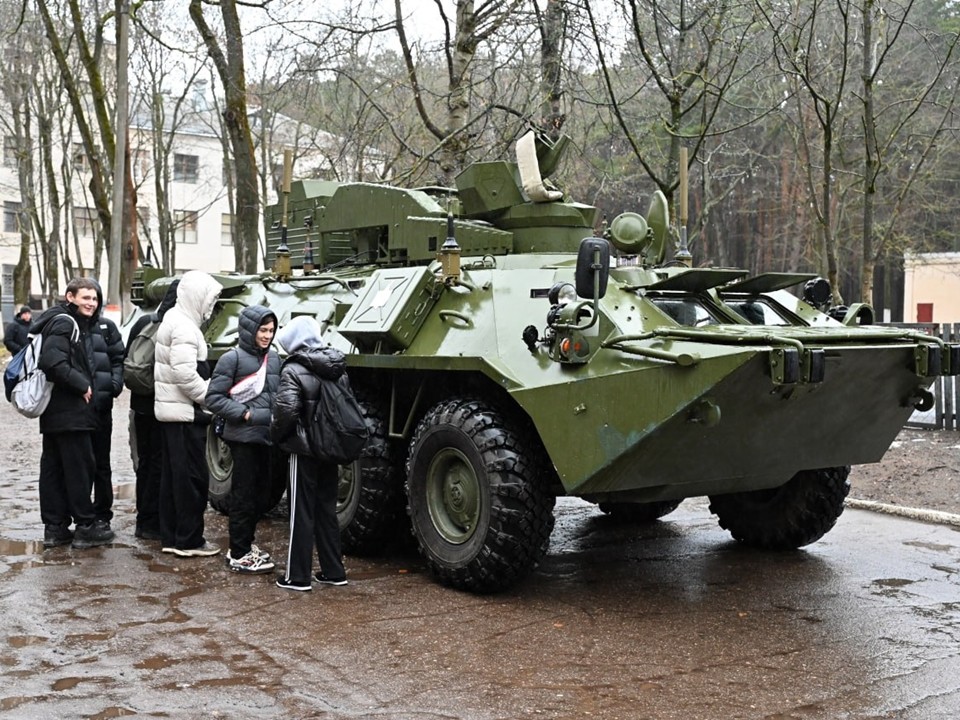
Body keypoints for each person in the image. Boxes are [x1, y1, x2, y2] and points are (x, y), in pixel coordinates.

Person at [31, 278, 115, 549]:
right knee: (80, 469)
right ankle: (85, 527)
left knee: (54, 469)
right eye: (85, 297)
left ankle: (55, 528)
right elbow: (52, 361)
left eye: (94, 298)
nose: (91, 303)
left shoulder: (57, 320)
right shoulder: (65, 322)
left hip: (56, 413)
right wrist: (82, 385)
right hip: (71, 412)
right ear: (70, 297)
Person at [271, 316, 350, 592]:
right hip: (329, 449)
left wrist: (277, 437)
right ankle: (333, 571)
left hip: (303, 449)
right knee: (326, 510)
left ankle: (297, 576)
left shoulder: (293, 368)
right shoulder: (337, 366)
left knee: (300, 511)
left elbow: (286, 412)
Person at [205, 305, 280, 574]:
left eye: (271, 330)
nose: (267, 336)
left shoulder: (274, 358)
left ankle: (246, 545)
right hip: (243, 437)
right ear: (250, 329)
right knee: (243, 497)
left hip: (266, 437)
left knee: (261, 495)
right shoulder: (231, 359)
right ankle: (239, 552)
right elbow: (213, 398)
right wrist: (245, 414)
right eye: (262, 330)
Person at [154, 270, 222, 557]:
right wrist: (210, 397)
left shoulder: (174, 320)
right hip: (185, 414)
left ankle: (172, 536)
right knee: (192, 479)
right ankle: (189, 540)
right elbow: (184, 373)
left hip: (174, 414)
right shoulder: (184, 327)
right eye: (209, 298)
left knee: (172, 479)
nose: (211, 305)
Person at [126, 280, 179, 541]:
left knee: (145, 465)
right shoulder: (176, 327)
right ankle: (156, 523)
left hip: (140, 404)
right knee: (162, 464)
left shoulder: (144, 321)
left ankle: (144, 522)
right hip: (164, 405)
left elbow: (129, 356)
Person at [89, 281, 124, 530]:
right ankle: (80, 514)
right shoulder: (71, 325)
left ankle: (102, 512)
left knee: (102, 464)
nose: (91, 303)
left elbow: (118, 358)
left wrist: (114, 385)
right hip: (77, 408)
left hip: (102, 407)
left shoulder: (107, 326)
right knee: (80, 463)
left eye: (95, 298)